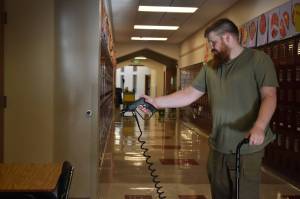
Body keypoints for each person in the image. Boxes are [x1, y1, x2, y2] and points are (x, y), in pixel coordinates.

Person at [142, 18, 278, 199]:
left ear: (227, 38)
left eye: (213, 42)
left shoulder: (259, 61)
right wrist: (156, 102)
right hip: (218, 147)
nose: (211, 47)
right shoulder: (211, 67)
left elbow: (269, 96)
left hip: (246, 148)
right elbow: (189, 93)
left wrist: (260, 126)